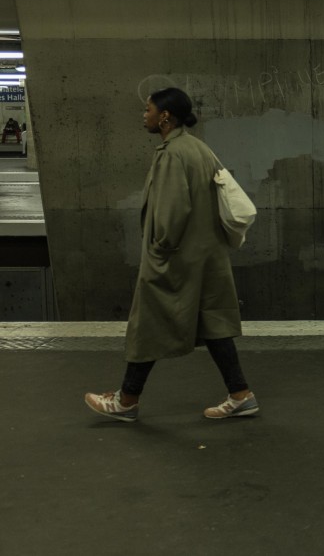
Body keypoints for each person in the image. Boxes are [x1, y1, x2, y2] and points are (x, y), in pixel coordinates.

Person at [85, 87, 258, 422]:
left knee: (146, 324)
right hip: (206, 255)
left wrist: (160, 249)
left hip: (176, 258)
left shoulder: (172, 153)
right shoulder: (198, 148)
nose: (144, 115)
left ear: (165, 116)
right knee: (213, 323)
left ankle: (126, 400)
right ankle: (241, 394)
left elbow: (172, 211)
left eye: (148, 110)